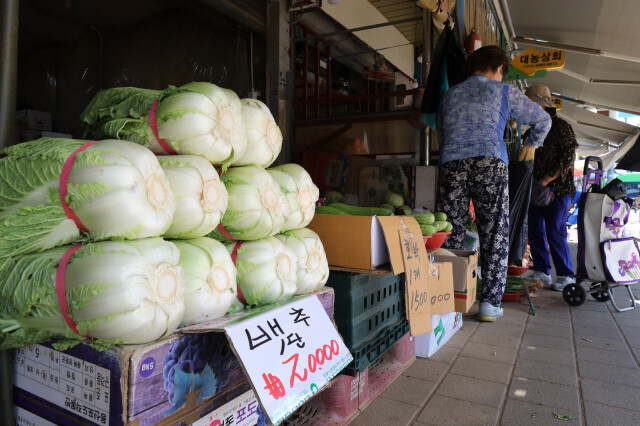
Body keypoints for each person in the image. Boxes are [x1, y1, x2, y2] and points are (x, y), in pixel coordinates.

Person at [436, 46, 551, 322]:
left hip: (452, 162)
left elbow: (442, 132)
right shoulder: (503, 91)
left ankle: (448, 297)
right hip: (489, 161)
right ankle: (489, 304)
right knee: (494, 231)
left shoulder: (450, 95)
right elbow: (542, 120)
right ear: (500, 68)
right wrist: (531, 144)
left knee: (450, 230)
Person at [525, 85, 579, 291]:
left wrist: (548, 179)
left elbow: (568, 158)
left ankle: (566, 275)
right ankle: (542, 270)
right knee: (536, 230)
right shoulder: (533, 130)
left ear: (541, 106)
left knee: (555, 231)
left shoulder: (561, 127)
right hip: (535, 189)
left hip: (557, 190)